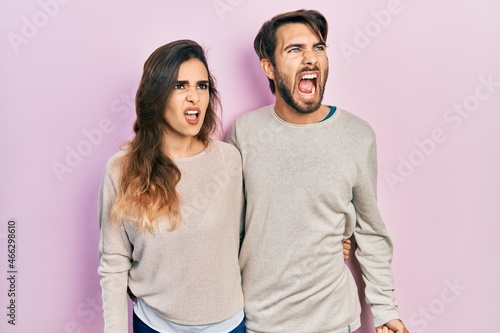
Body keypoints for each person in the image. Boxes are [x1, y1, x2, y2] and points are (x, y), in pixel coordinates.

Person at [226, 9, 410, 333]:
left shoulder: (357, 136)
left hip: (336, 322)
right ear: (268, 66)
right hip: (260, 323)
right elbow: (229, 226)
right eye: (295, 50)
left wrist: (385, 310)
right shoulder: (245, 133)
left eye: (319, 48)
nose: (311, 59)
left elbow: (370, 231)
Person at [97, 40, 246, 333]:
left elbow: (250, 233)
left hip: (228, 325)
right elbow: (113, 264)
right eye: (180, 86)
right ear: (157, 95)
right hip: (155, 325)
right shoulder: (121, 169)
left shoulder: (229, 159)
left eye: (202, 86)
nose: (194, 97)